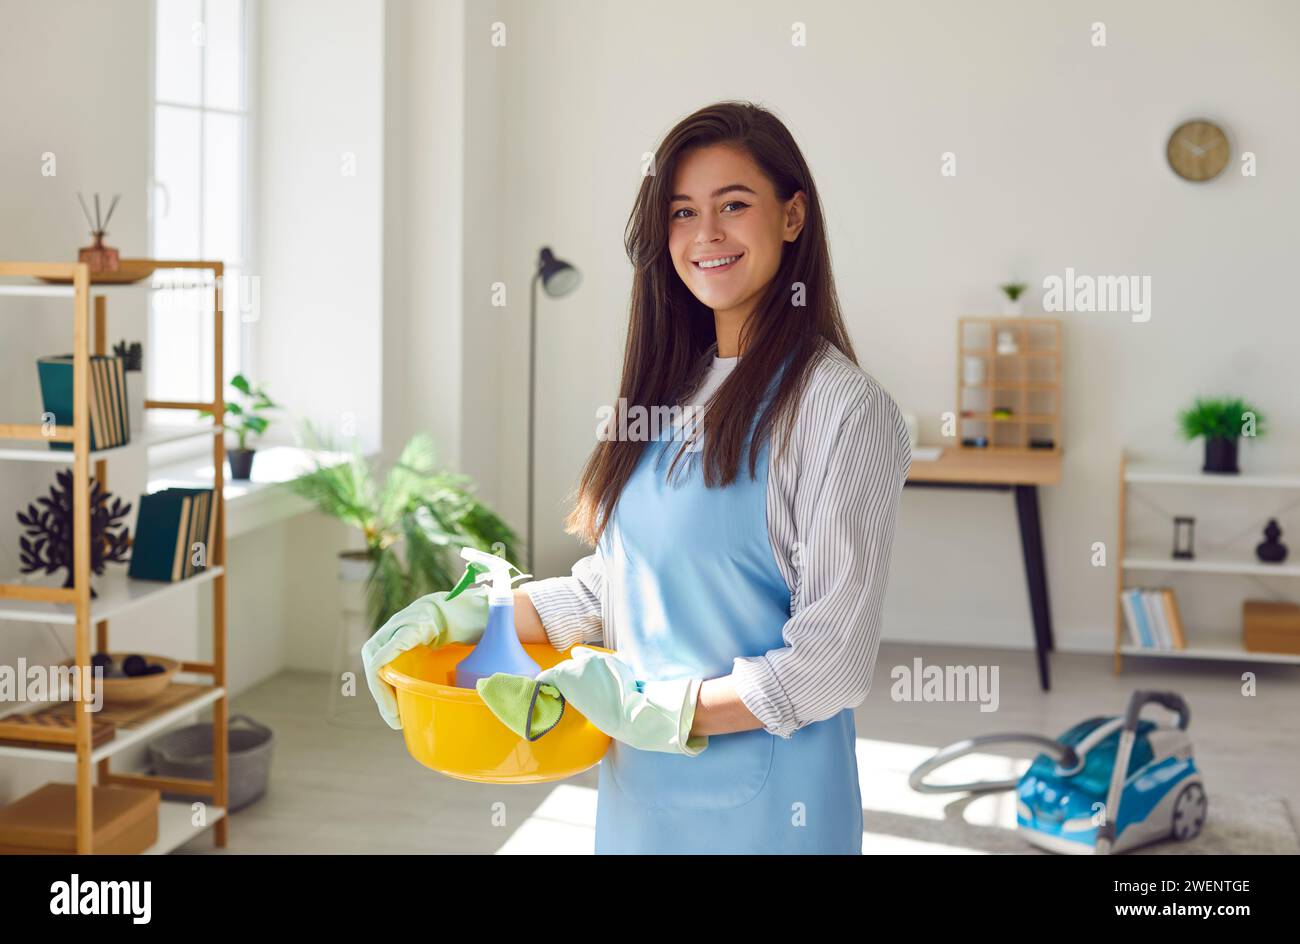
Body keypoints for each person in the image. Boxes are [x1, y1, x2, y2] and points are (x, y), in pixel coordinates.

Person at [364, 101, 911, 854]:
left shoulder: (844, 412)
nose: (706, 234)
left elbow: (833, 665)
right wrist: (472, 618)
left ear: (792, 217)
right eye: (683, 213)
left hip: (773, 814)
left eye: (734, 205)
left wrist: (669, 711)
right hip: (641, 800)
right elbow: (615, 585)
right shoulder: (672, 392)